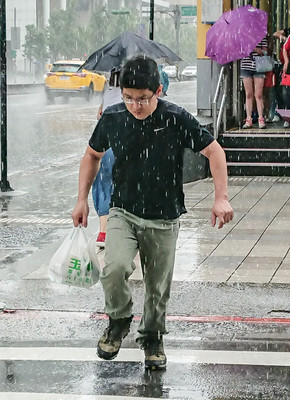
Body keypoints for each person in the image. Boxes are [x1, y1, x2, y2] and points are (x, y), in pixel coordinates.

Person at [71, 55, 234, 369]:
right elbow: (92, 155)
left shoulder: (175, 118)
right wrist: (81, 200)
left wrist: (221, 197)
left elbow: (214, 150)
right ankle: (118, 319)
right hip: (123, 211)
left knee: (157, 287)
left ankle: (152, 337)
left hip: (163, 216)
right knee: (114, 267)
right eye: (129, 98)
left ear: (158, 90)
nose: (136, 106)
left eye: (143, 99)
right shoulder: (113, 117)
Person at [92, 68, 121, 248]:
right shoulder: (135, 92)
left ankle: (103, 232)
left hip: (106, 146)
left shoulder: (108, 90)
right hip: (126, 146)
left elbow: (99, 115)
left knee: (103, 186)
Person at [240, 36, 269, 129]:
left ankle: (261, 118)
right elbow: (239, 51)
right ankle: (249, 118)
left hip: (259, 66)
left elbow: (265, 52)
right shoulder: (242, 36)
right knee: (248, 94)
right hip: (245, 65)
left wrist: (256, 49)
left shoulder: (261, 35)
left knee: (259, 94)